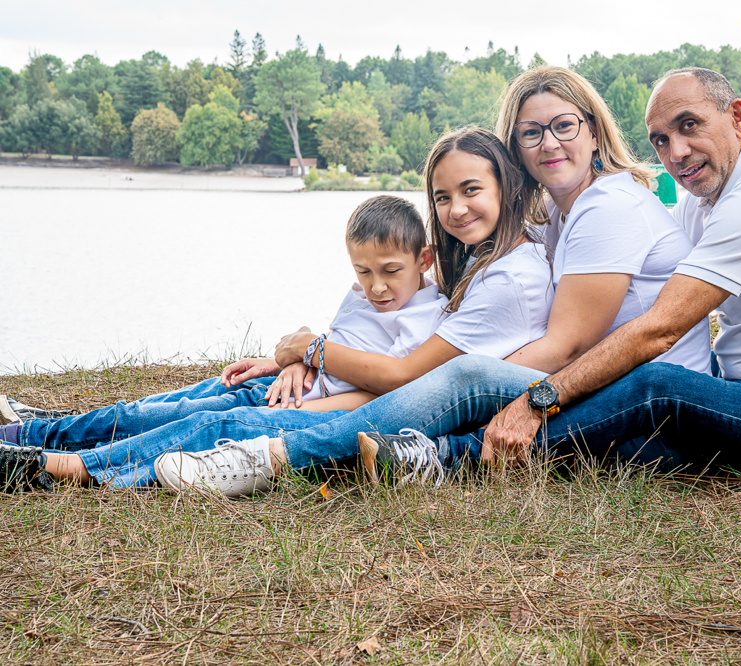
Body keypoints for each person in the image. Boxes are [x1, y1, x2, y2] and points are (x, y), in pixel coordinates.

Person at [170, 64, 713, 488]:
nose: (549, 143)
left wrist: (424, 382)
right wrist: (321, 355)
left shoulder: (608, 206)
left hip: (640, 414)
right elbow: (440, 319)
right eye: (531, 133)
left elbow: (564, 347)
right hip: (598, 390)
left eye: (564, 126)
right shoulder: (556, 212)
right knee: (443, 380)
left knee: (461, 379)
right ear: (515, 153)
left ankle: (273, 457)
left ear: (593, 131)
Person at [364, 66, 741, 480]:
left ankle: (450, 458)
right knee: (633, 385)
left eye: (690, 126)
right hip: (739, 386)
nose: (676, 152)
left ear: (738, 118)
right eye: (661, 140)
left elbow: (661, 329)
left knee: (654, 382)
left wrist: (536, 401)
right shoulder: (701, 199)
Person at [0, 127, 554, 494]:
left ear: (505, 185)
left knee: (215, 421)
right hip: (331, 387)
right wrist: (298, 359)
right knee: (185, 403)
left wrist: (309, 353)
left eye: (471, 190)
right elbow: (369, 331)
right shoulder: (479, 258)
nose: (456, 209)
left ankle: (58, 467)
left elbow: (406, 377)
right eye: (441, 196)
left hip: (362, 408)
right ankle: (35, 434)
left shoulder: (507, 278)